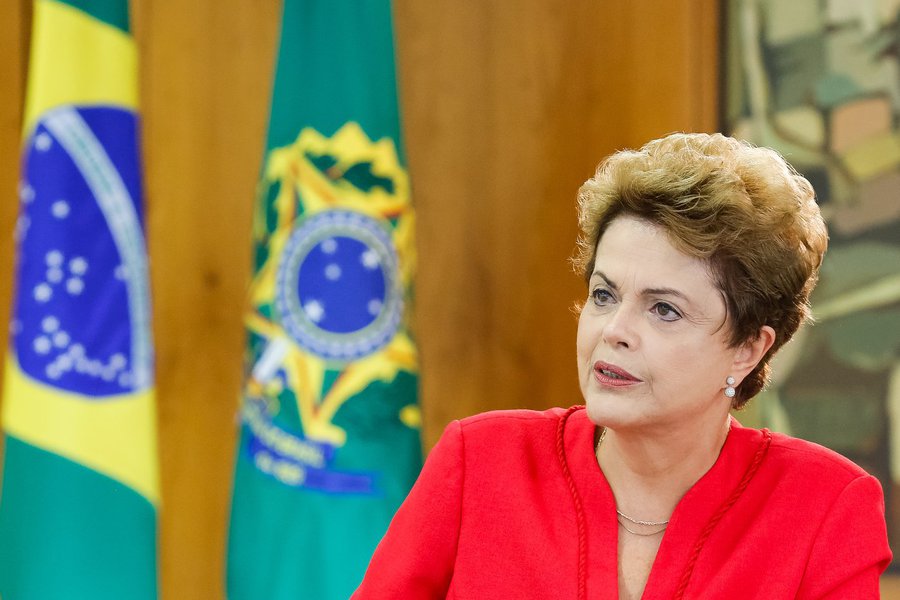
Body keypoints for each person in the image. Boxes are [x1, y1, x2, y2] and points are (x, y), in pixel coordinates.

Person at [352, 133, 892, 599]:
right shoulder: (480, 464)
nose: (614, 331)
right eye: (605, 295)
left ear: (748, 348)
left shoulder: (825, 510)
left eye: (664, 309)